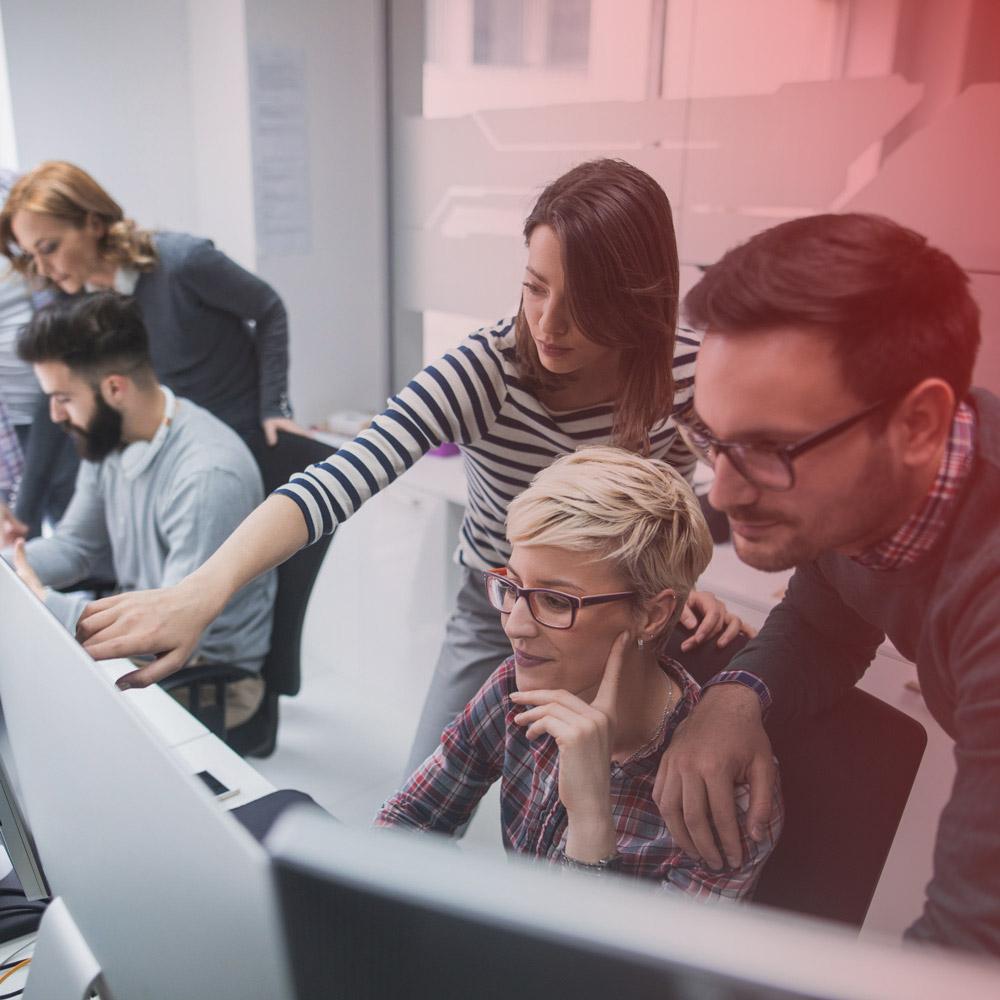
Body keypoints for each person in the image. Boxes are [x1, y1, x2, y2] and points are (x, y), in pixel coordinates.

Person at [72, 158, 749, 771]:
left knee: (599, 814)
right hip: (501, 612)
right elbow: (340, 476)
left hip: (624, 616)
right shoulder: (489, 368)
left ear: (635, 299)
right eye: (535, 288)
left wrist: (675, 583)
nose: (547, 324)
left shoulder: (687, 371)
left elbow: (709, 498)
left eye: (582, 306)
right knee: (423, 795)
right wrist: (200, 591)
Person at [652, 212, 999, 955]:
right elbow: (823, 621)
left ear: (918, 424)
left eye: (772, 449)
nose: (722, 495)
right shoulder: (861, 504)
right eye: (713, 438)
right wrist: (734, 695)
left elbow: (969, 946)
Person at [376, 448, 782, 899]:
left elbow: (628, 971)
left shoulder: (724, 795)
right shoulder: (515, 687)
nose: (514, 625)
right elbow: (409, 820)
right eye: (512, 587)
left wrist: (591, 816)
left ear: (652, 614)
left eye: (555, 601)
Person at [2, 292, 276, 729]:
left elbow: (166, 632)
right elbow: (75, 546)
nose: (54, 415)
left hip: (203, 675)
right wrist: (8, 567)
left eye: (63, 398)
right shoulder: (110, 437)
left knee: (36, 717)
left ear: (114, 388)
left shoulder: (206, 475)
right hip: (147, 632)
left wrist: (43, 602)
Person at [0, 160, 306, 446]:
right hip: (180, 439)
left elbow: (269, 309)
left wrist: (275, 408)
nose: (41, 269)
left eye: (49, 248)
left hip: (244, 430)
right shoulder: (77, 298)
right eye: (30, 255)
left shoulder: (184, 262)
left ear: (93, 223)